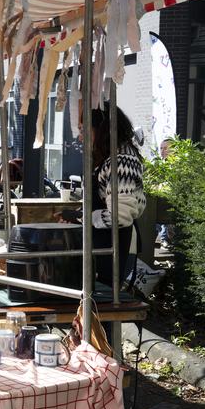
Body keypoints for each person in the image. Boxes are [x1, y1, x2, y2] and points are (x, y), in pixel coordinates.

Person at [56, 107, 146, 287]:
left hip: (115, 248)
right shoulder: (107, 157)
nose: (80, 137)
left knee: (103, 304)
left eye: (84, 130)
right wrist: (79, 217)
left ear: (102, 129)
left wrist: (83, 217)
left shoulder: (121, 160)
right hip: (102, 246)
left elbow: (119, 216)